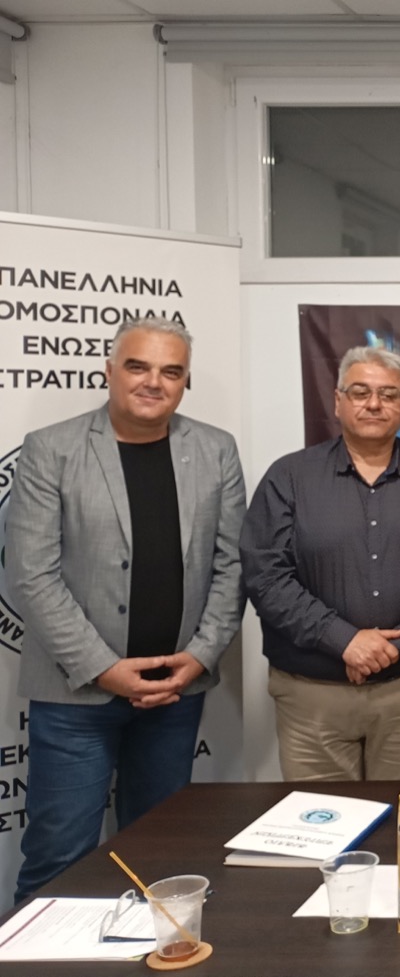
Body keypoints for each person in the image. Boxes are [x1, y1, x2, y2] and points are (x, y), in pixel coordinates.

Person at [5, 316, 245, 903]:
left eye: (171, 371)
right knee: (59, 856)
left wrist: (200, 656)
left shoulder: (215, 449)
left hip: (175, 693)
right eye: (138, 366)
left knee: (159, 853)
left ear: (185, 382)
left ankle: (151, 947)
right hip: (76, 696)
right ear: (109, 371)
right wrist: (104, 669)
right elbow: (31, 574)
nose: (153, 382)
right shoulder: (52, 449)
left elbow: (234, 564)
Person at [241, 346, 400, 781]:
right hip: (312, 697)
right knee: (321, 818)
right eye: (360, 392)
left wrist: (394, 647)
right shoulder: (288, 478)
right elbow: (266, 575)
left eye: (388, 394)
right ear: (338, 401)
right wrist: (343, 640)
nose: (374, 404)